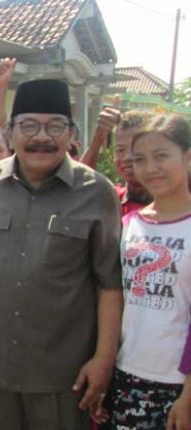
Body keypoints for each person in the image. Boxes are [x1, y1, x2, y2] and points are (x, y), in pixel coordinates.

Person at [0, 79, 123, 430]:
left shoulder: (97, 192)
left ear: (72, 134)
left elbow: (109, 283)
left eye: (54, 127)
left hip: (62, 372)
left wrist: (103, 359)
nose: (41, 137)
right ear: (11, 132)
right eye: (28, 126)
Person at [105, 114, 191, 430]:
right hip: (127, 374)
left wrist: (188, 394)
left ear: (188, 157)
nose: (150, 168)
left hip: (178, 382)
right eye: (140, 159)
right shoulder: (129, 225)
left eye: (161, 156)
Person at [79, 98, 152, 215]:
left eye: (136, 149)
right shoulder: (113, 200)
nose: (127, 157)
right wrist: (99, 137)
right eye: (120, 150)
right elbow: (79, 185)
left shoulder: (177, 205)